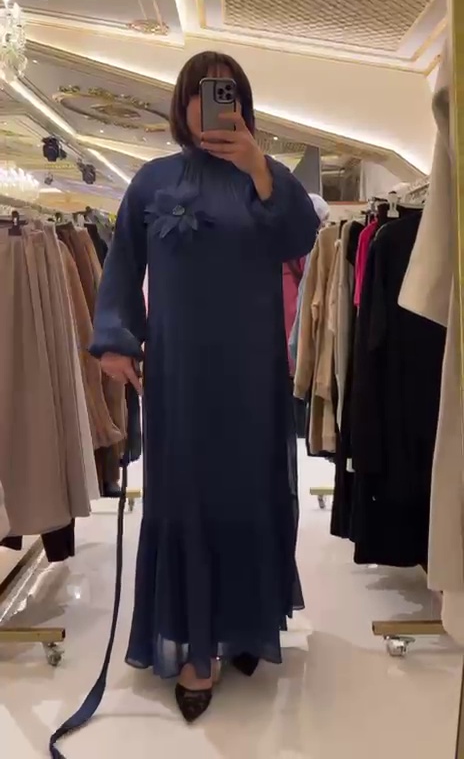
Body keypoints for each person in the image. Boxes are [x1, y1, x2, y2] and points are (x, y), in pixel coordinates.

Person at [90, 51, 319, 723]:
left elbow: (300, 239)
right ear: (182, 102)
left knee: (248, 491)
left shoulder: (267, 177)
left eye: (225, 93)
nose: (211, 105)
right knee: (186, 495)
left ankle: (245, 623)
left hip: (252, 376)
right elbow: (123, 263)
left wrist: (259, 168)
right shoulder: (151, 180)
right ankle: (195, 645)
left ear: (241, 104)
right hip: (181, 377)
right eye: (200, 92)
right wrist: (116, 338)